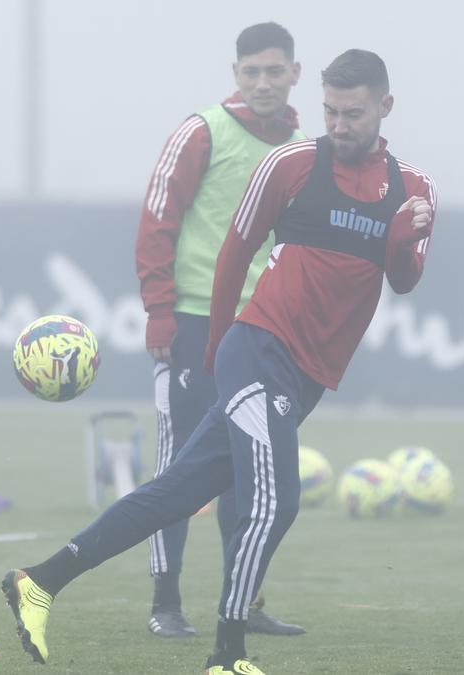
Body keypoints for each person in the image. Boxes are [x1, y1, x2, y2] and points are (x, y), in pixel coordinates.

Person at [3, 48, 436, 674]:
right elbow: (236, 252)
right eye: (331, 111)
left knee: (173, 493)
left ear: (385, 108)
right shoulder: (290, 165)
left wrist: (402, 238)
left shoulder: (415, 190)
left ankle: (39, 581)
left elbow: (403, 279)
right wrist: (216, 352)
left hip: (308, 376)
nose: (340, 125)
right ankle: (226, 656)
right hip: (257, 351)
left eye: (354, 114)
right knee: (274, 503)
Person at [135, 21, 306, 639]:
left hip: (259, 330)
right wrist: (159, 310)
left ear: (294, 74)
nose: (263, 82)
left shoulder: (303, 150)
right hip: (189, 321)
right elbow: (158, 219)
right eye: (252, 71)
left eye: (274, 71)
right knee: (177, 465)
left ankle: (245, 601)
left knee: (248, 465)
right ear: (236, 73)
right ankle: (165, 602)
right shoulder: (202, 131)